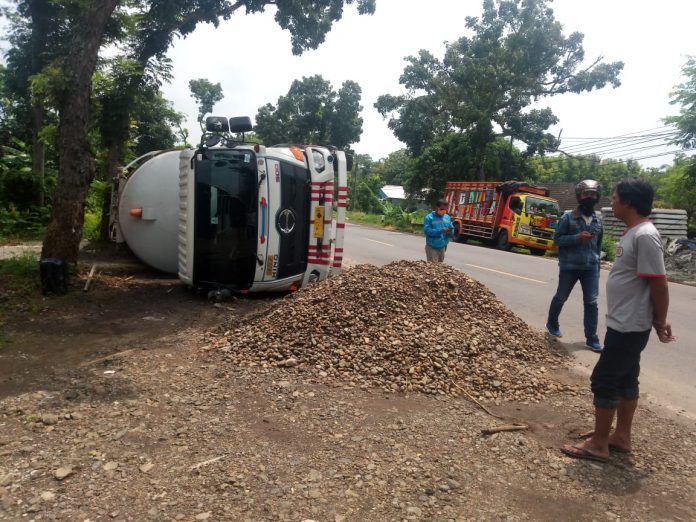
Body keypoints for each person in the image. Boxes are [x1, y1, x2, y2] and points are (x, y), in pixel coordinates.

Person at [560, 177, 674, 463]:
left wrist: (661, 320)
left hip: (630, 324)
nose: (610, 201)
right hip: (624, 322)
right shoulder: (634, 232)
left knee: (604, 379)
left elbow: (659, 283)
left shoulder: (645, 235)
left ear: (629, 202)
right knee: (626, 379)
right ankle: (621, 437)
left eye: (614, 197)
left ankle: (599, 444)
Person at [545, 180, 604, 352]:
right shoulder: (568, 217)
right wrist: (577, 237)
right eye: (586, 194)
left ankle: (591, 337)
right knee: (561, 297)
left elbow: (598, 246)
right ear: (579, 196)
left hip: (591, 267)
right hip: (569, 266)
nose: (590, 197)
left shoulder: (598, 220)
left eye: (593, 194)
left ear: (597, 197)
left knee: (591, 303)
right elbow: (557, 239)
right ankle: (552, 323)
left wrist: (598, 268)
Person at [424, 198, 452, 262]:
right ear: (437, 207)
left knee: (440, 269)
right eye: (442, 209)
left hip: (443, 246)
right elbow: (427, 231)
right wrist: (440, 231)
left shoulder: (447, 217)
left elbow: (450, 231)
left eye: (445, 209)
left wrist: (451, 231)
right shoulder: (429, 217)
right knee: (433, 268)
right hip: (432, 246)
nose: (444, 211)